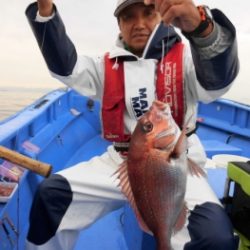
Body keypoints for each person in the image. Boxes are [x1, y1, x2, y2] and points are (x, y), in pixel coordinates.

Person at [25, 0, 239, 249]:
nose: (138, 24)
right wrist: (45, 11)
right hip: (120, 161)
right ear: (119, 24)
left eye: (148, 14)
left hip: (177, 165)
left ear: (161, 16)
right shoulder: (105, 66)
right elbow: (65, 66)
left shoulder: (188, 60)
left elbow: (218, 80)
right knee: (51, 195)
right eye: (128, 17)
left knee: (216, 238)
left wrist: (202, 28)